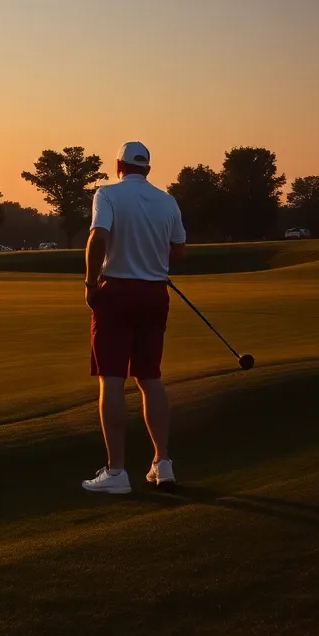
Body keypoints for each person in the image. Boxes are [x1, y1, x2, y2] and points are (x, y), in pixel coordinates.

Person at [81, 141, 187, 494]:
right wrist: (156, 260)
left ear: (118, 165)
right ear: (148, 170)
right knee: (150, 378)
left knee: (111, 381)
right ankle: (163, 462)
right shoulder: (168, 200)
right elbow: (179, 251)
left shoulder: (107, 194)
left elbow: (98, 237)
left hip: (117, 294)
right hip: (155, 295)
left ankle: (116, 473)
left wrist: (90, 283)